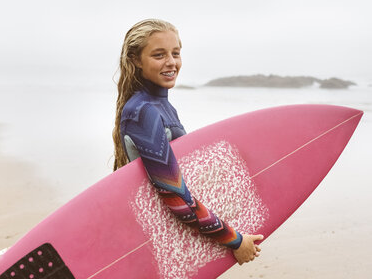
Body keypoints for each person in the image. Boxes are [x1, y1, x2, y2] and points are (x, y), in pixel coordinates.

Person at [112, 19, 263, 265]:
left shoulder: (160, 106)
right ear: (136, 60)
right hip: (165, 238)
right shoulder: (143, 112)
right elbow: (175, 197)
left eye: (176, 53)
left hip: (174, 235)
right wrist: (234, 239)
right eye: (159, 55)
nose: (171, 62)